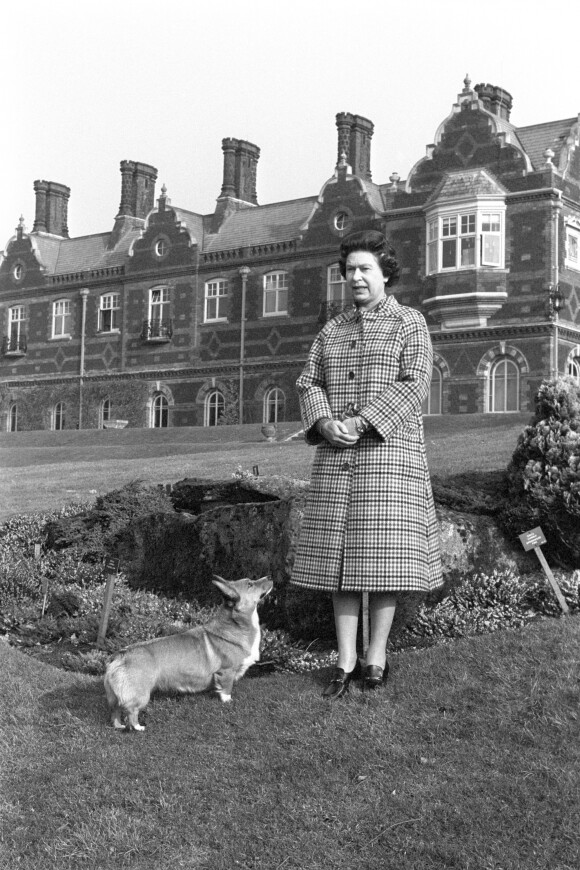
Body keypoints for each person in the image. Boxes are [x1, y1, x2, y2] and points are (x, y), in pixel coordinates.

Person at [291, 229, 443, 698]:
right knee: (339, 562)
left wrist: (360, 423)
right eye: (349, 270)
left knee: (383, 562)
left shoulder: (409, 323)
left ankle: (376, 654)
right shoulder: (331, 330)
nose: (356, 277)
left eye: (365, 269)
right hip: (338, 460)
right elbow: (307, 381)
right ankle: (345, 658)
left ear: (385, 274)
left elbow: (414, 382)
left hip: (389, 458)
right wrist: (321, 420)